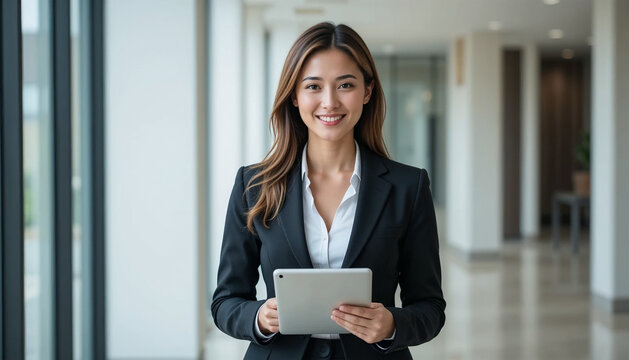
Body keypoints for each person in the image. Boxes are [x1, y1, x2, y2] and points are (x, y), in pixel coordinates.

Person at [211, 22, 445, 360]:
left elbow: (430, 308)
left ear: (367, 91)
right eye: (313, 86)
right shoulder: (254, 186)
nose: (329, 102)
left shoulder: (408, 187)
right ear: (294, 95)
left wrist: (391, 324)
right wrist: (258, 317)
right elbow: (225, 302)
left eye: (345, 85)